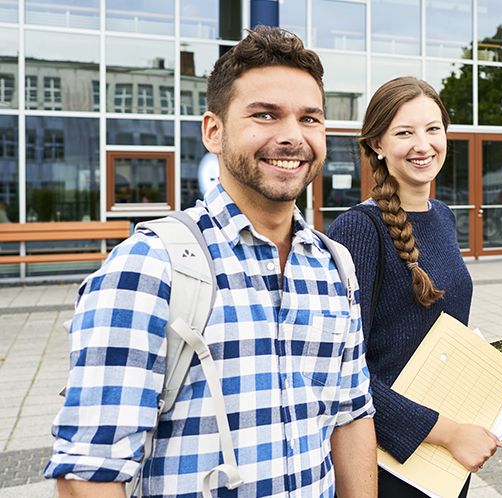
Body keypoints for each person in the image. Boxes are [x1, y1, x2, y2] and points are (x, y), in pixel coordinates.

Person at [46, 26, 377, 498]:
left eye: (309, 119)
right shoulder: (148, 266)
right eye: (265, 115)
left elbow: (350, 418)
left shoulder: (334, 266)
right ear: (214, 131)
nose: (291, 137)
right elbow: (89, 470)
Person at [326, 77, 500, 497]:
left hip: (445, 453)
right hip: (390, 457)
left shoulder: (442, 216)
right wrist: (450, 432)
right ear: (377, 145)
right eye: (404, 132)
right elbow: (343, 371)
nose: (423, 144)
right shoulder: (358, 230)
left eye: (433, 129)